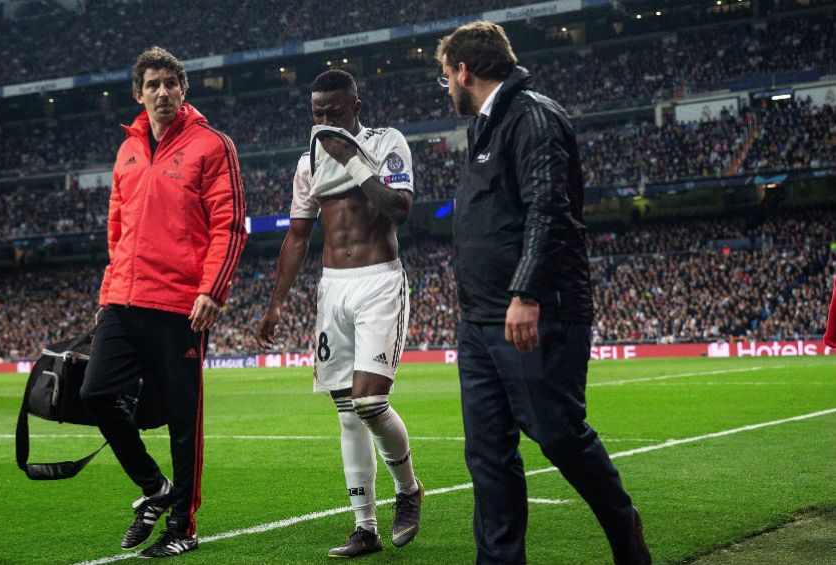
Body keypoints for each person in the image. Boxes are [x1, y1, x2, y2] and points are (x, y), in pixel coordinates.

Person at [435, 21, 651, 565]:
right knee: (488, 456)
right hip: (480, 321)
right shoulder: (486, 126)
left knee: (557, 434)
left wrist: (526, 293)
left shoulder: (532, 116)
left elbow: (549, 210)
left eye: (446, 76)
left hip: (536, 312)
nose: (447, 88)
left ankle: (627, 537)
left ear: (464, 70)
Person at [80, 46, 246, 559]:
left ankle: (183, 526)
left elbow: (230, 225)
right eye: (152, 84)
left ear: (184, 89)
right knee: (95, 394)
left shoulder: (212, 145)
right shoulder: (127, 150)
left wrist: (211, 291)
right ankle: (155, 489)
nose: (162, 92)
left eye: (170, 82)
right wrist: (109, 293)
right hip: (124, 300)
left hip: (180, 306)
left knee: (182, 417)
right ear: (138, 94)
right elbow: (116, 227)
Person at [254, 69, 423, 558]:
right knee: (348, 414)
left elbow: (400, 208)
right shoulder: (306, 164)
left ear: (356, 107)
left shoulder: (386, 142)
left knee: (371, 403)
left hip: (379, 282)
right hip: (334, 290)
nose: (324, 122)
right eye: (316, 114)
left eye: (333, 112)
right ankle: (365, 527)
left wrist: (351, 158)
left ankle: (408, 490)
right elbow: (299, 236)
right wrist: (276, 303)